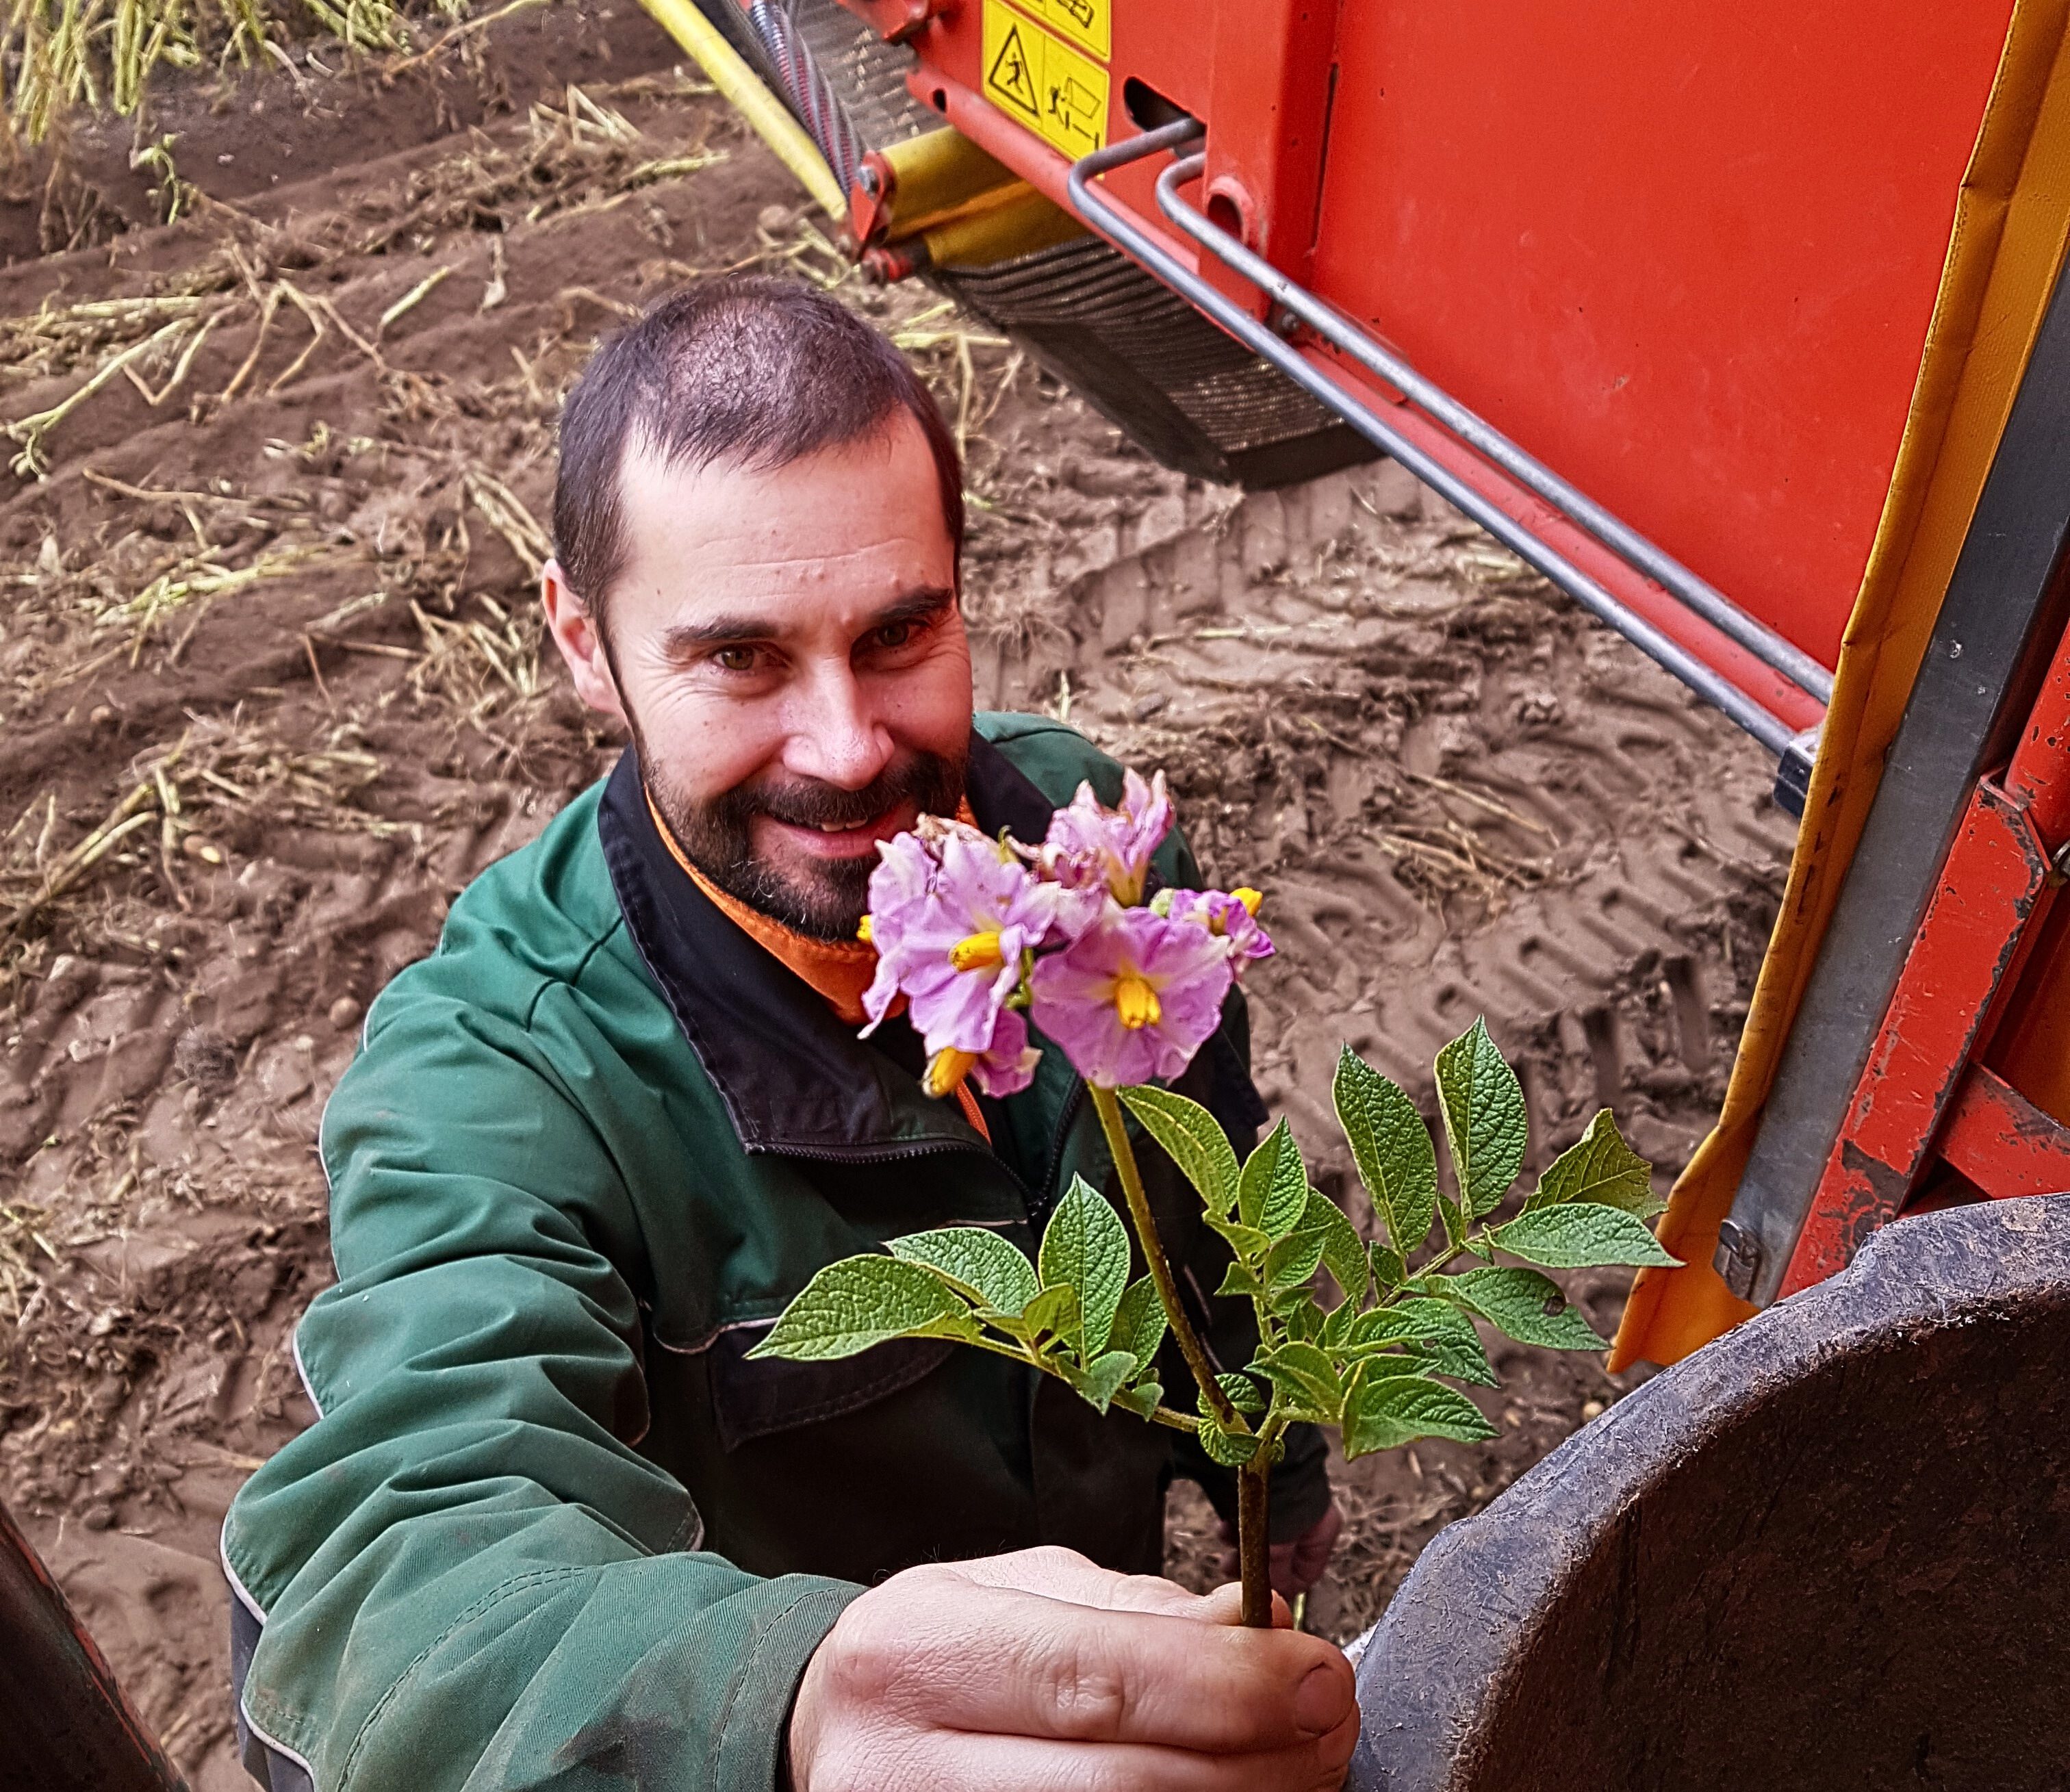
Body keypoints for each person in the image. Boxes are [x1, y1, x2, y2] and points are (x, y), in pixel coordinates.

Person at [222, 275, 1355, 1792]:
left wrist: (1276, 1474)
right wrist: (788, 1705)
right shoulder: (499, 1071)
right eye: (740, 658)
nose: (847, 750)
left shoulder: (1077, 846)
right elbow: (398, 1577)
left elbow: (1222, 1194)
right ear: (582, 637)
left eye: (902, 630)